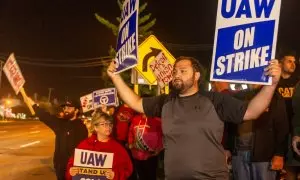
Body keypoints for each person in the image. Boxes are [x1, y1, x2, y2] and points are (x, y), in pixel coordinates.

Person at [106, 56, 281, 179]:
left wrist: (271, 85)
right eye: (175, 71)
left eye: (183, 71)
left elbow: (252, 111)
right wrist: (115, 77)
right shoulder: (165, 102)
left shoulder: (215, 99)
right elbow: (136, 102)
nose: (176, 74)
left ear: (196, 76)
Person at [229, 84, 289, 180]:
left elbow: (282, 127)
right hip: (239, 153)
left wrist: (279, 154)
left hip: (264, 156)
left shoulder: (274, 97)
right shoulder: (238, 96)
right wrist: (228, 148)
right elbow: (231, 124)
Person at [27, 98, 88, 180]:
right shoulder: (60, 123)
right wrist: (32, 104)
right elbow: (45, 116)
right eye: (65, 108)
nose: (66, 110)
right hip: (60, 167)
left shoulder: (81, 128)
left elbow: (84, 149)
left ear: (76, 110)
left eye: (69, 108)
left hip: (74, 168)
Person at [66, 112, 133, 180]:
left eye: (110, 124)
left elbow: (128, 169)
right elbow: (72, 163)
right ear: (95, 127)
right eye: (103, 124)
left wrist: (115, 175)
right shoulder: (85, 144)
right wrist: (71, 171)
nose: (108, 127)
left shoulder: (117, 148)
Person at [128, 113, 163, 180]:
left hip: (151, 156)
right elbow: (130, 132)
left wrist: (159, 149)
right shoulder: (135, 119)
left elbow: (163, 136)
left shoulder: (157, 120)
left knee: (151, 175)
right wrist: (130, 143)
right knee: (141, 176)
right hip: (136, 155)